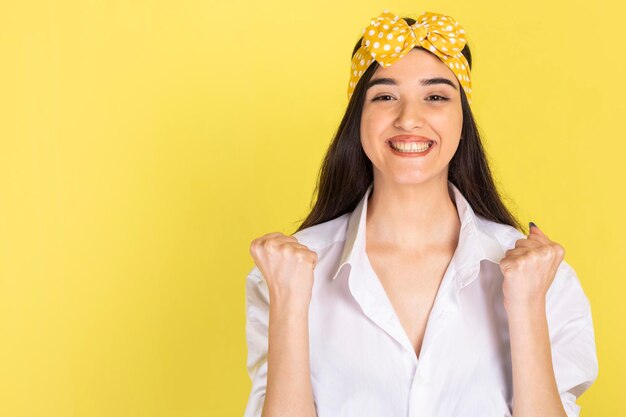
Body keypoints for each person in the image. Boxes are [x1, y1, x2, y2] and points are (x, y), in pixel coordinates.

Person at [243, 9, 598, 417]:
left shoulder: (542, 277)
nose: (409, 118)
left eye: (436, 96)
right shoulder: (284, 273)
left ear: (462, 119)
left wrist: (527, 306)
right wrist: (290, 302)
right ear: (358, 119)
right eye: (385, 96)